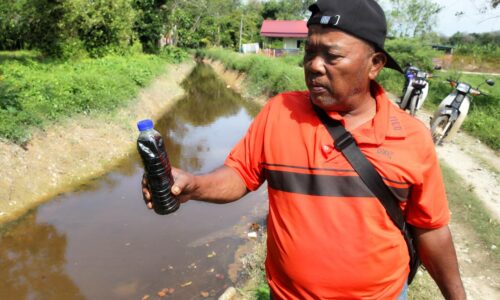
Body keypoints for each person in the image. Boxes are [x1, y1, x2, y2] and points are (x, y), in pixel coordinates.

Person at [142, 0, 466, 299]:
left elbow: (431, 228)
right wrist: (192, 184)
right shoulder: (279, 112)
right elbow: (241, 175)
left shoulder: (411, 137)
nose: (314, 66)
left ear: (374, 64)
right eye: (309, 52)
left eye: (332, 56)